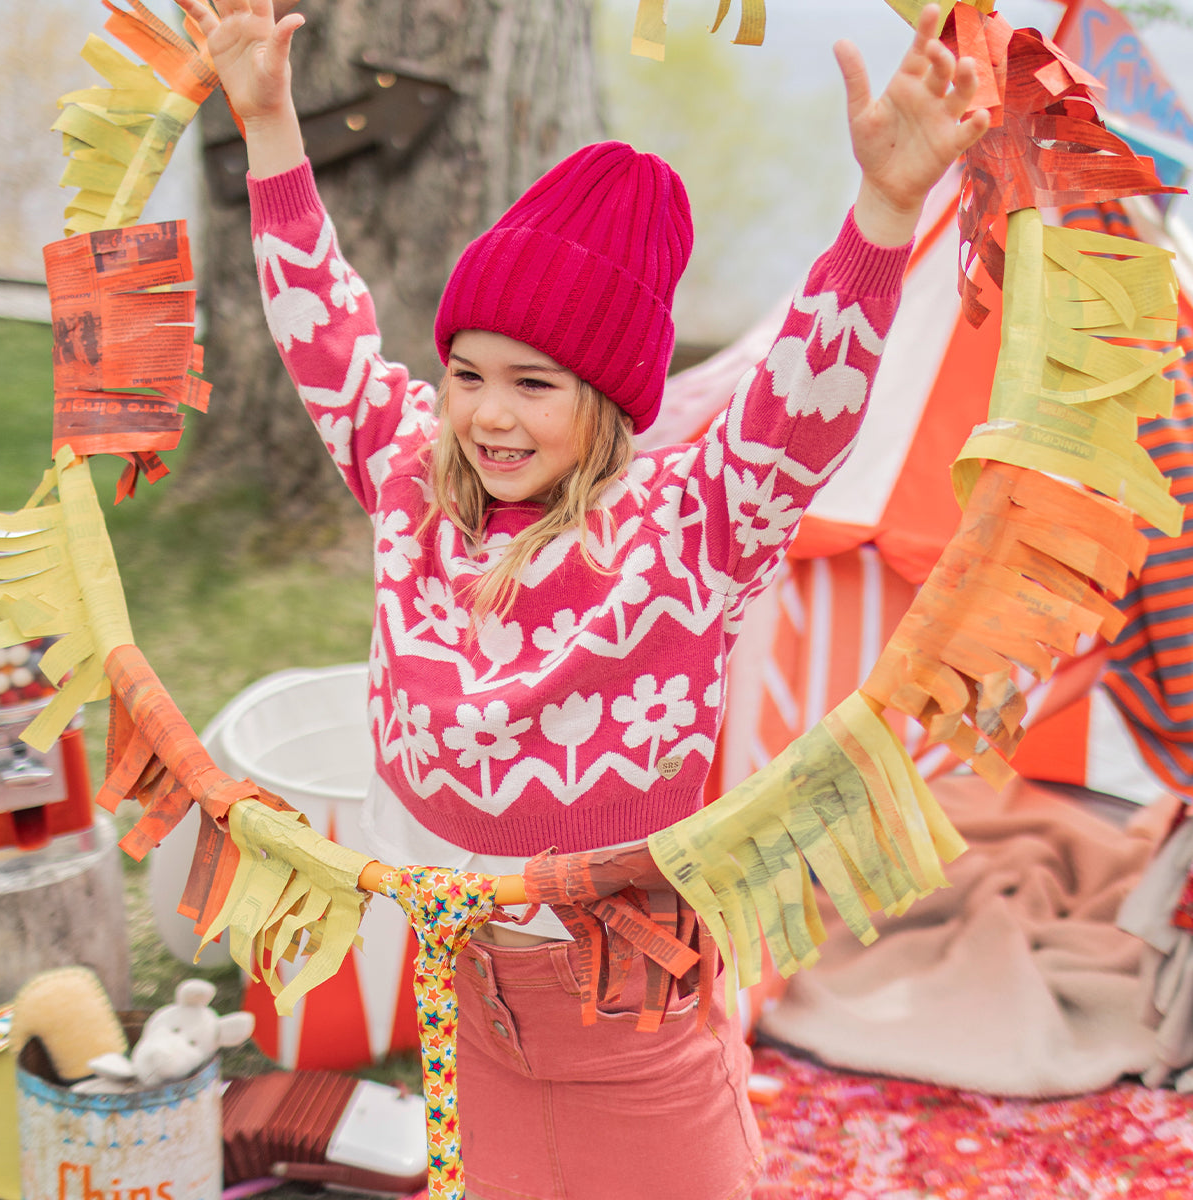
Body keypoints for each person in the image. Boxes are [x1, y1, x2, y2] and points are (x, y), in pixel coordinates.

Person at [175, 1, 988, 1196]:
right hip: (460, 980)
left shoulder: (686, 529)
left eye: (535, 384)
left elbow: (799, 410)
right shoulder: (413, 485)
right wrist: (267, 122)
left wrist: (882, 215)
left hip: (632, 1019)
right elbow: (326, 334)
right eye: (468, 374)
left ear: (605, 397)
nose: (491, 414)